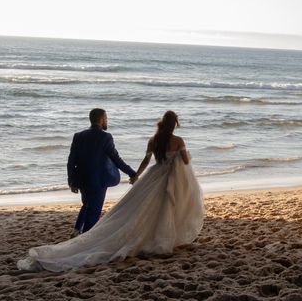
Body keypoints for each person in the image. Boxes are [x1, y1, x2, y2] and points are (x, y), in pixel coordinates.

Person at [17, 111, 205, 272]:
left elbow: (147, 160)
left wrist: (136, 175)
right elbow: (185, 162)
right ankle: (157, 237)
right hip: (161, 178)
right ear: (174, 125)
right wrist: (183, 155)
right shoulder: (178, 141)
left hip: (149, 176)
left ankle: (82, 231)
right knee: (166, 207)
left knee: (134, 208)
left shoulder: (153, 140)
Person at [67, 108, 137, 236]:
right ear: (101, 119)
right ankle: (86, 236)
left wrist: (71, 181)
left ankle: (77, 230)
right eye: (106, 118)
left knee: (86, 205)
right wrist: (132, 173)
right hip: (98, 180)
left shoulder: (78, 136)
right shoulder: (105, 137)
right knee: (94, 211)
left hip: (81, 179)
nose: (106, 121)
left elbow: (71, 161)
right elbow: (116, 159)